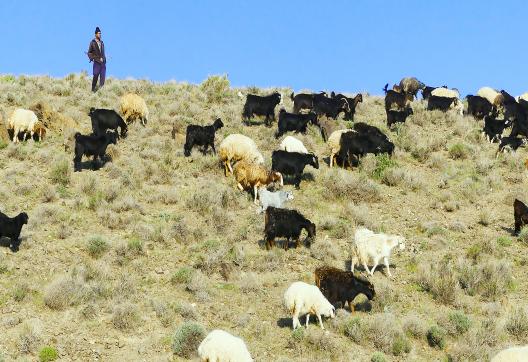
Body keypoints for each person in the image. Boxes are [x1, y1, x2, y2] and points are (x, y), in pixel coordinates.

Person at [87, 27, 106, 92]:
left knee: (103, 77)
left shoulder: (102, 43)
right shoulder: (92, 42)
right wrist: (92, 58)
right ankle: (93, 90)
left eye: (100, 33)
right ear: (95, 34)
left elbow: (103, 52)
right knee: (95, 75)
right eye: (98, 33)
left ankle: (101, 91)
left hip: (103, 63)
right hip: (96, 62)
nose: (100, 35)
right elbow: (89, 52)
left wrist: (104, 59)